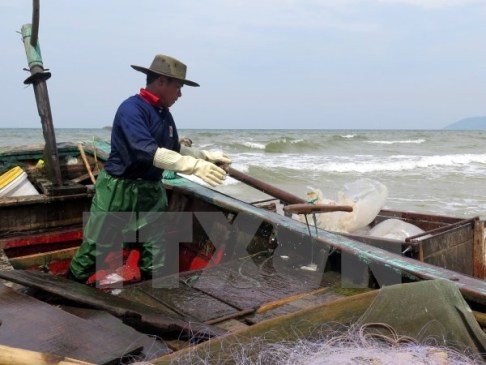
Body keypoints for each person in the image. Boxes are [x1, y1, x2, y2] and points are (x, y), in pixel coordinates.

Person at [68, 54, 231, 283]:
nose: (180, 94)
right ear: (161, 81)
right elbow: (146, 151)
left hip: (151, 192)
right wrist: (193, 167)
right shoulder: (131, 109)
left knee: (156, 249)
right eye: (178, 87)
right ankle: (71, 284)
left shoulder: (165, 115)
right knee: (97, 245)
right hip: (118, 189)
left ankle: (147, 291)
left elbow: (173, 149)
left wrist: (205, 156)